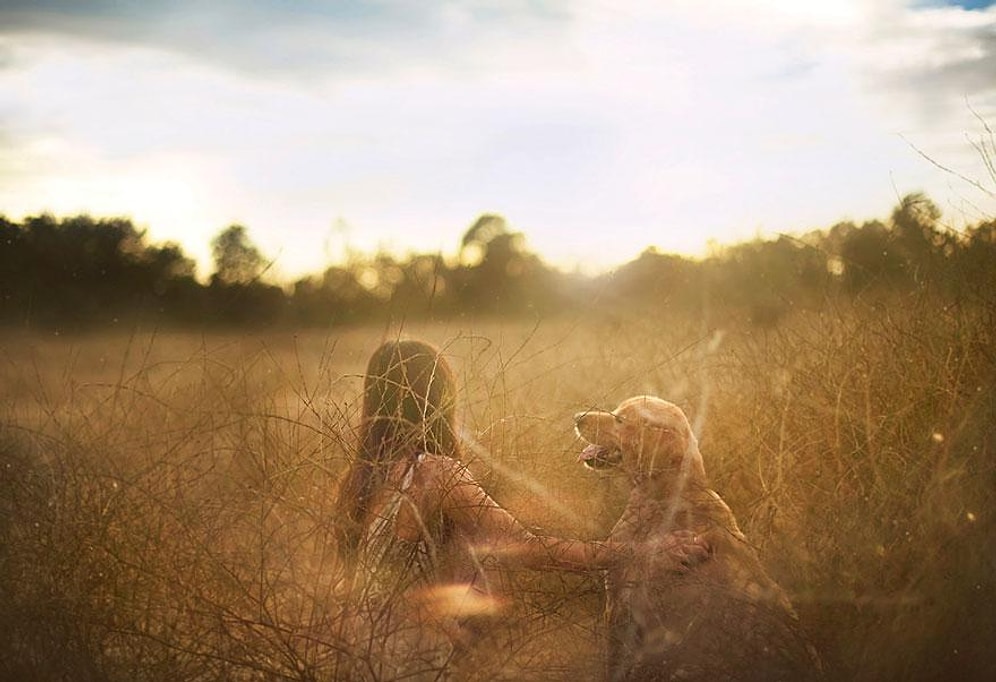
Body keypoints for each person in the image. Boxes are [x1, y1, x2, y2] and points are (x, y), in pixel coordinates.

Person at [334, 339, 705, 678]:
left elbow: (373, 583)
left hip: (360, 655)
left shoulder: (358, 479)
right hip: (415, 662)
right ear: (438, 399)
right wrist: (642, 552)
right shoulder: (435, 472)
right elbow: (529, 547)